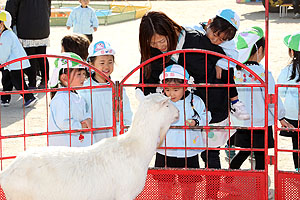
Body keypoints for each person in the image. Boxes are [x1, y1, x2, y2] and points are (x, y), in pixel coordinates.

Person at [138, 11, 231, 199]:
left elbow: (223, 55)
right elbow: (144, 82)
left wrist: (221, 61)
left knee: (210, 154)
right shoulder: (151, 52)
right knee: (167, 170)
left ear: (171, 32)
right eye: (153, 43)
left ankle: (211, 195)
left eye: (162, 41)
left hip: (208, 109)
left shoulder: (194, 40)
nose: (159, 47)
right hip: (173, 120)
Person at [230, 26, 291, 171]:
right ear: (260, 50)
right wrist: (280, 116)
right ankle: (259, 187)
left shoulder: (235, 71)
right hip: (260, 121)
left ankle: (229, 176)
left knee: (244, 150)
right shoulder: (263, 73)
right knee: (260, 155)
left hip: (242, 121)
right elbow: (272, 98)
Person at [154, 64, 211, 199]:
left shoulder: (194, 101)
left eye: (176, 89)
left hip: (188, 151)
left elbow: (206, 116)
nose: (171, 94)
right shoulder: (160, 101)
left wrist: (196, 122)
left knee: (189, 186)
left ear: (185, 86)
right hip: (165, 150)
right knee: (164, 186)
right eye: (167, 89)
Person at [78, 40, 132, 143]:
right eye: (102, 63)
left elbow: (126, 111)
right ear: (91, 64)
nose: (106, 67)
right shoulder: (84, 88)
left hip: (114, 138)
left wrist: (127, 129)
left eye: (110, 62)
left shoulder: (117, 88)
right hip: (93, 139)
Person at [48, 52, 92, 147]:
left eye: (84, 74)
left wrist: (87, 119)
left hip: (74, 144)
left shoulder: (76, 95)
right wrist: (81, 126)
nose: (83, 77)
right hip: (64, 148)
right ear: (64, 77)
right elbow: (64, 122)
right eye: (79, 74)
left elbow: (84, 112)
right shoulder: (61, 98)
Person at [5, 0, 51, 89]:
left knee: (30, 57)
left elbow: (10, 9)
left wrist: (11, 24)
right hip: (43, 26)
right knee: (42, 56)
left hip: (26, 27)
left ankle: (32, 83)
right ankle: (45, 81)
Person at [0, 10, 38, 108]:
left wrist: (1, 63)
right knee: (6, 80)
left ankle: (30, 98)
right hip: (11, 63)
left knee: (18, 82)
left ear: (3, 24)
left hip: (14, 63)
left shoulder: (6, 35)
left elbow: (4, 52)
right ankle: (5, 99)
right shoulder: (6, 34)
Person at [277, 32, 300, 172]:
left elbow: (281, 92)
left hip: (292, 114)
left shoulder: (287, 71)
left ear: (291, 52)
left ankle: (298, 169)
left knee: (296, 145)